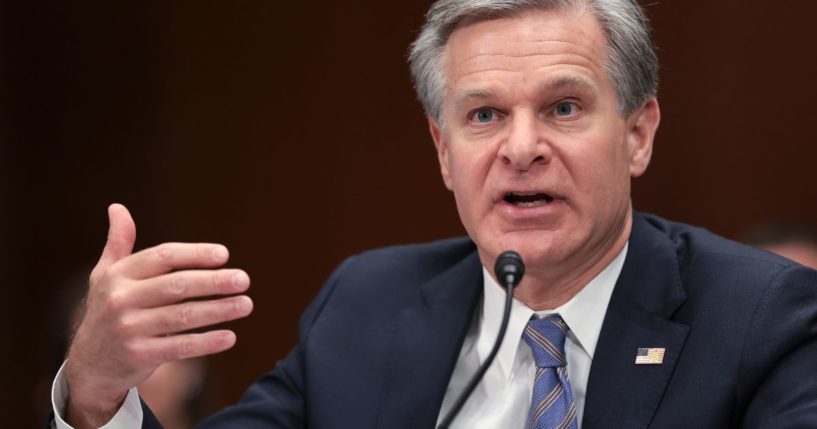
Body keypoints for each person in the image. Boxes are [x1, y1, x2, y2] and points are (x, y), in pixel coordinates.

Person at [51, 0, 817, 428]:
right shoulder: (368, 305)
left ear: (638, 133)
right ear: (442, 149)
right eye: (483, 115)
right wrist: (95, 390)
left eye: (562, 106)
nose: (521, 147)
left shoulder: (760, 317)